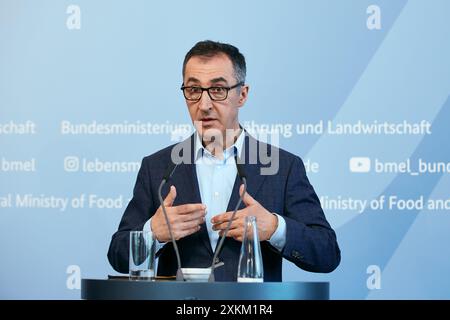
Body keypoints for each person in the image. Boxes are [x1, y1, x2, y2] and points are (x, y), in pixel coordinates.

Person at [108, 40, 340, 281]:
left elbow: (327, 253)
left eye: (218, 90)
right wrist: (152, 234)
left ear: (242, 95)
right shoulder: (157, 167)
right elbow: (117, 255)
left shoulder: (283, 167)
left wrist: (273, 228)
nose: (204, 105)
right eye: (193, 90)